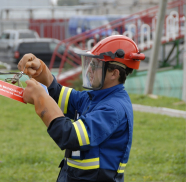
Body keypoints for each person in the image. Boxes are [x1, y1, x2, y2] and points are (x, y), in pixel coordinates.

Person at [17, 35, 145, 182]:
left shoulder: (113, 108)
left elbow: (70, 136)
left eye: (95, 65)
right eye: (90, 63)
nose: (89, 69)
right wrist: (41, 71)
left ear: (114, 73)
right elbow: (57, 95)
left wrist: (41, 99)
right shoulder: (95, 97)